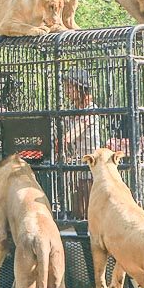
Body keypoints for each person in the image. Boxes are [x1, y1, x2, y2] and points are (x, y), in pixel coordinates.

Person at [59, 68, 101, 219]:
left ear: (81, 88)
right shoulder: (73, 110)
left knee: (86, 212)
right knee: (79, 212)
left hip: (92, 167)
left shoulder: (91, 110)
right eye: (66, 87)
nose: (67, 91)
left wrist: (62, 140)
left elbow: (71, 135)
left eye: (70, 87)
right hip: (79, 165)